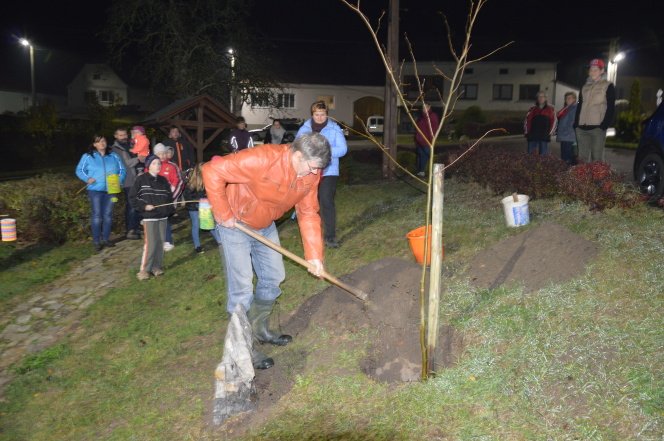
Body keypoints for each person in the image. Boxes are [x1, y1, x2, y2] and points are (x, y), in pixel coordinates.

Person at [202, 133, 331, 370]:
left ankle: (259, 329)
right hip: (236, 223)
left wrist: (314, 256)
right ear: (298, 156)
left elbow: (308, 213)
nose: (315, 173)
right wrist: (223, 213)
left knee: (273, 277)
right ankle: (242, 349)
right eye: (312, 167)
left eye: (318, 169)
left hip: (265, 225)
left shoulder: (311, 175)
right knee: (242, 288)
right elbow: (212, 170)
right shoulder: (262, 158)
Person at [296, 101, 348, 248]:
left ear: (327, 114)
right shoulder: (304, 129)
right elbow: (297, 147)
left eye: (322, 114)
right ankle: (311, 234)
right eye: (316, 114)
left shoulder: (334, 129)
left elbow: (343, 149)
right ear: (312, 114)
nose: (319, 117)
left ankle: (330, 237)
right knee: (309, 203)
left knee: (326, 201)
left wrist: (323, 152)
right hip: (308, 171)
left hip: (329, 171)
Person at [75, 135, 126, 251]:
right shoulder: (88, 156)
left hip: (112, 189)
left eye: (103, 141)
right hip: (95, 190)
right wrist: (87, 178)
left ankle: (106, 239)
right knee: (97, 215)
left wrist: (119, 180)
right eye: (98, 142)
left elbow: (122, 170)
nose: (102, 143)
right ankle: (96, 241)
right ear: (94, 144)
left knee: (108, 215)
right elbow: (79, 170)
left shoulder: (114, 156)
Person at [129, 155, 175, 280]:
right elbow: (132, 197)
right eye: (154, 163)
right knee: (151, 243)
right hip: (150, 217)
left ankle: (156, 267)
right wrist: (144, 206)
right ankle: (145, 270)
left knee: (160, 242)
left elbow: (169, 198)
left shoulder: (163, 181)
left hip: (162, 216)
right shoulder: (141, 180)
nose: (158, 165)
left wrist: (169, 210)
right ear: (148, 166)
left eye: (159, 163)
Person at [574, 58, 616, 162]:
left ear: (602, 71)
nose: (592, 72)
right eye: (591, 69)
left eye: (595, 70)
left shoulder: (608, 86)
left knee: (597, 159)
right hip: (581, 128)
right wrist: (576, 123)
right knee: (582, 160)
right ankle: (583, 174)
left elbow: (611, 107)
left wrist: (604, 125)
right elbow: (580, 105)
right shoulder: (584, 87)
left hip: (597, 128)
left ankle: (598, 175)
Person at [110, 128, 142, 239]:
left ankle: (136, 227)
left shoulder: (130, 145)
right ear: (115, 136)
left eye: (125, 134)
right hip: (127, 180)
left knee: (136, 204)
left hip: (136, 179)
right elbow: (127, 164)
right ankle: (130, 230)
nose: (124, 137)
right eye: (121, 135)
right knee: (131, 205)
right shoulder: (115, 149)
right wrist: (139, 158)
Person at [183, 163, 221, 254]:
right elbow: (187, 196)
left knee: (208, 223)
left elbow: (206, 193)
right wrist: (196, 202)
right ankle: (197, 246)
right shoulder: (191, 183)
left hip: (204, 206)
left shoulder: (206, 180)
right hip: (193, 208)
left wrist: (206, 198)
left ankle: (220, 240)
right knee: (196, 225)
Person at [153, 143, 184, 251]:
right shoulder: (151, 166)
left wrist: (172, 197)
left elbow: (178, 182)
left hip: (167, 198)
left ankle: (168, 241)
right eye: (159, 154)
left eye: (163, 153)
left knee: (164, 219)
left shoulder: (171, 166)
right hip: (155, 199)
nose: (162, 156)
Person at [414, 103, 440, 177]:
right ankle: (420, 171)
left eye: (425, 107)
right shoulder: (422, 117)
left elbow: (434, 128)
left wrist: (431, 139)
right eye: (423, 107)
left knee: (426, 156)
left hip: (427, 141)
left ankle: (426, 171)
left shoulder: (432, 116)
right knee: (420, 156)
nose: (423, 109)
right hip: (420, 141)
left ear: (429, 107)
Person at [556, 92, 579, 165]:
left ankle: (569, 171)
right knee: (566, 157)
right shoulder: (566, 109)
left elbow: (573, 122)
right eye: (566, 98)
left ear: (574, 99)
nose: (567, 100)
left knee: (567, 158)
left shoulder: (574, 108)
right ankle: (569, 170)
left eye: (569, 98)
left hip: (569, 136)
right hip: (565, 136)